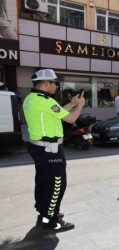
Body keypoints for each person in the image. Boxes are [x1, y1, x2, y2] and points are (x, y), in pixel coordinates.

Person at [23, 69, 85, 232]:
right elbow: (70, 118)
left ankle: (44, 212)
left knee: (43, 182)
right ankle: (51, 220)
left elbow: (58, 113)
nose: (57, 86)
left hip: (38, 147)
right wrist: (80, 107)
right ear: (46, 83)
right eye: (55, 83)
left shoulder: (31, 98)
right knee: (57, 184)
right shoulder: (45, 100)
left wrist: (72, 103)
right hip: (50, 149)